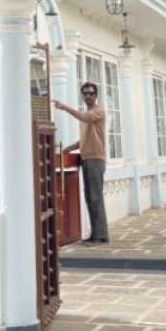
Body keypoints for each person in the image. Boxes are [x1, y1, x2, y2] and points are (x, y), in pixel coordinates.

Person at [54, 82, 109, 244]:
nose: (88, 96)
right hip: (86, 159)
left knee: (95, 197)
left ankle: (100, 235)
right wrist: (67, 149)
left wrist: (65, 108)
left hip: (95, 160)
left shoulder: (98, 111)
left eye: (91, 93)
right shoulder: (87, 115)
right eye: (85, 93)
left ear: (96, 95)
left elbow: (84, 117)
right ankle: (97, 234)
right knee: (90, 198)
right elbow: (83, 140)